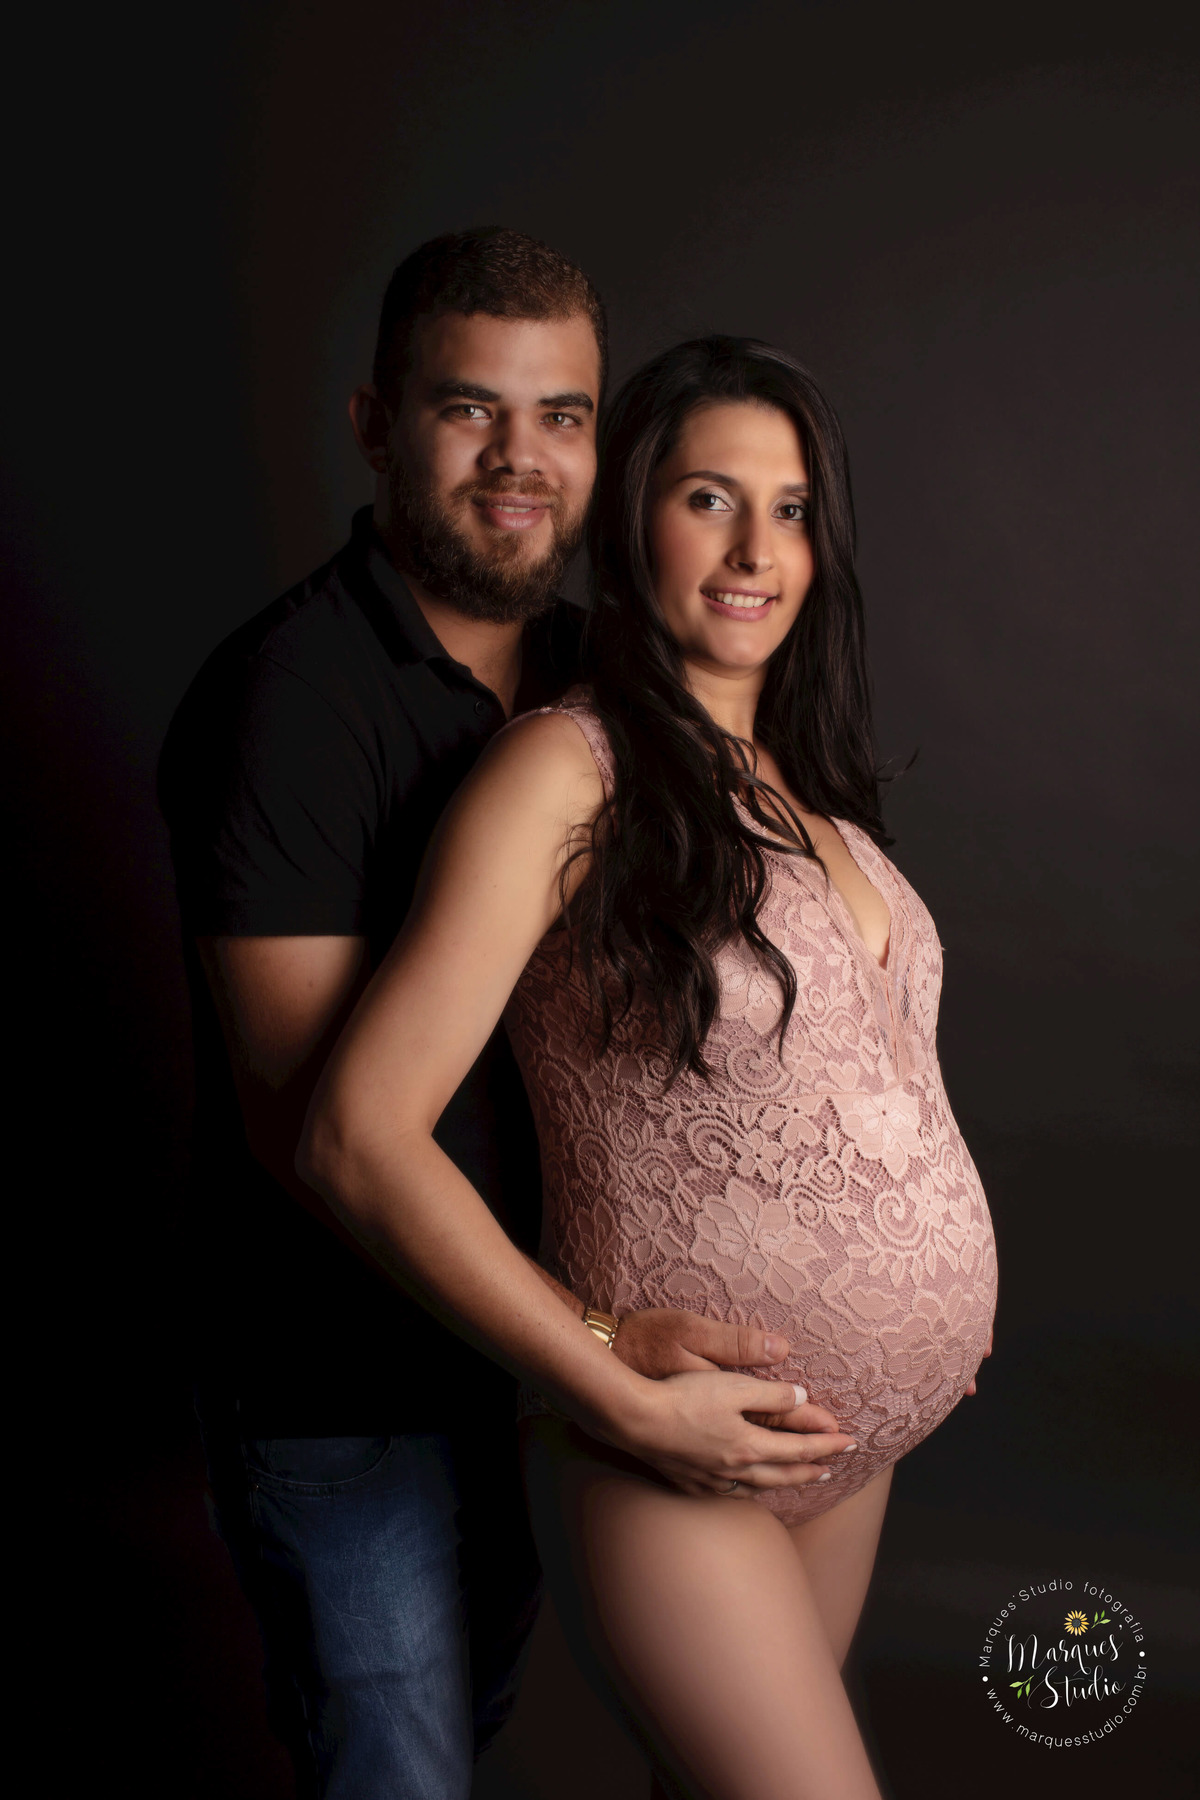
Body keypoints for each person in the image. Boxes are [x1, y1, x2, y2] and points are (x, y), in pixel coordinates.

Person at [159, 238, 824, 1800]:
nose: (522, 463)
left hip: (534, 1362)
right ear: (376, 423)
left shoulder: (613, 677)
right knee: (398, 1771)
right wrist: (599, 1350)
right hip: (348, 1388)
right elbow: (325, 1145)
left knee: (479, 1731)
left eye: (566, 417)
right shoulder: (287, 703)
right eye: (471, 412)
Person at [301, 335, 997, 1798]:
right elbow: (357, 1135)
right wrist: (617, 1383)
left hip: (838, 1451)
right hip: (662, 1442)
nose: (756, 549)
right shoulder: (568, 769)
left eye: (792, 508)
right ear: (633, 523)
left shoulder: (809, 797)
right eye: (708, 498)